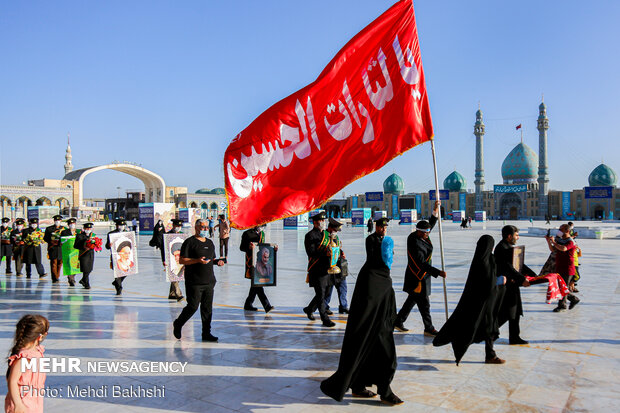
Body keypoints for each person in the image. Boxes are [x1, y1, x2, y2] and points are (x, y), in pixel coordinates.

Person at [320, 217, 403, 406]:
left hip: (376, 329)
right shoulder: (374, 276)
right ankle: (384, 391)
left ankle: (358, 386)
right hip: (372, 330)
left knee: (368, 352)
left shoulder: (380, 276)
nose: (392, 257)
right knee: (385, 357)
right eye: (389, 253)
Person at [433, 235, 506, 365]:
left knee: (489, 328)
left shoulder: (489, 259)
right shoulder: (482, 263)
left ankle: (490, 355)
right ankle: (488, 354)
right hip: (480, 304)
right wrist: (499, 281)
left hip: (488, 303)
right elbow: (487, 282)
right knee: (480, 328)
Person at [394, 201, 446, 336]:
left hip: (422, 275)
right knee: (424, 304)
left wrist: (435, 211)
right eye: (426, 233)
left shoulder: (421, 235)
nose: (428, 234)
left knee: (412, 300)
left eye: (428, 232)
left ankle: (398, 321)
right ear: (419, 232)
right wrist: (438, 272)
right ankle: (428, 328)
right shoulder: (414, 243)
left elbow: (430, 226)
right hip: (418, 276)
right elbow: (422, 263)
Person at [173, 219, 225, 342]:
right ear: (196, 228)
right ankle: (178, 323)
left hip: (209, 281)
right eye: (203, 227)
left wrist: (218, 262)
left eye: (207, 227)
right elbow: (182, 260)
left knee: (207, 309)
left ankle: (206, 333)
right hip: (194, 281)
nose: (206, 229)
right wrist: (197, 261)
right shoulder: (189, 242)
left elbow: (210, 259)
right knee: (193, 306)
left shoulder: (210, 243)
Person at [494, 225, 533, 344]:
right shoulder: (502, 248)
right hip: (505, 286)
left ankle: (514, 336)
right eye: (516, 235)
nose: (518, 237)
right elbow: (509, 268)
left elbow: (519, 265)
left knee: (514, 312)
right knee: (506, 312)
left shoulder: (509, 247)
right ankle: (488, 332)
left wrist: (534, 275)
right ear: (509, 236)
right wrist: (522, 279)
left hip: (513, 284)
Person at [5, 314, 49, 413]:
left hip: (34, 402)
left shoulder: (37, 353)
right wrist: (18, 404)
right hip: (22, 403)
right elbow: (12, 381)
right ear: (40, 337)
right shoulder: (24, 358)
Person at [303, 212, 335, 327]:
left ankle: (309, 309)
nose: (323, 223)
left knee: (325, 293)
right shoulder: (310, 236)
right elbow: (310, 252)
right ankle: (325, 319)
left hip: (327, 269)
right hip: (316, 269)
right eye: (321, 221)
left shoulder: (326, 234)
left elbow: (332, 245)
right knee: (321, 293)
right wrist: (324, 252)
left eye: (323, 221)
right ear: (315, 223)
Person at [546, 224, 580, 312]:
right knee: (561, 287)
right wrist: (549, 241)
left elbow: (564, 248)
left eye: (561, 230)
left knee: (562, 287)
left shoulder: (571, 241)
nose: (559, 231)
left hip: (567, 268)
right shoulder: (561, 240)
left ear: (567, 231)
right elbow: (553, 249)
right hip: (559, 267)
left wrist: (554, 242)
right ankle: (573, 299)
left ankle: (562, 305)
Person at [240, 225, 274, 312]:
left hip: (260, 261)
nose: (263, 225)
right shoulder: (247, 233)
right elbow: (242, 247)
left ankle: (248, 304)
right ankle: (267, 306)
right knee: (257, 284)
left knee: (255, 285)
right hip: (251, 262)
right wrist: (249, 247)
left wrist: (273, 249)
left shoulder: (262, 233)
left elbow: (263, 246)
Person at [324, 218, 349, 314]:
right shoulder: (324, 236)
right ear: (330, 228)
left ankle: (343, 306)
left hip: (338, 266)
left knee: (343, 286)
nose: (336, 232)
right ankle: (325, 306)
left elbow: (337, 248)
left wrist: (341, 252)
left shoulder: (336, 237)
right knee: (328, 288)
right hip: (329, 266)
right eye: (335, 230)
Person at [106, 218, 129, 295]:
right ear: (116, 225)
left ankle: (116, 282)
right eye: (120, 225)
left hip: (125, 256)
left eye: (123, 225)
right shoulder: (111, 234)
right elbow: (107, 246)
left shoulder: (127, 233)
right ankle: (119, 288)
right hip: (115, 256)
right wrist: (109, 245)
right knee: (117, 273)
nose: (121, 227)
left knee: (126, 271)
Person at [164, 219, 184, 301]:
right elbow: (163, 248)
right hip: (170, 259)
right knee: (173, 275)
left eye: (179, 226)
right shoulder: (168, 235)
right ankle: (179, 294)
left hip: (181, 259)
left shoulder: (182, 235)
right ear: (173, 226)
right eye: (177, 226)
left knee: (178, 274)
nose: (178, 228)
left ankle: (172, 294)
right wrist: (163, 259)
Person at [43, 215, 65, 283]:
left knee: (60, 263)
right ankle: (54, 277)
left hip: (61, 248)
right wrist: (51, 241)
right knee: (53, 263)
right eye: (56, 220)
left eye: (58, 220)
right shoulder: (49, 229)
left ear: (61, 221)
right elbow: (45, 238)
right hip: (53, 248)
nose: (57, 221)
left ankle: (57, 276)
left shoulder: (64, 229)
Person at [73, 222, 95, 289]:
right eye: (87, 228)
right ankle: (86, 283)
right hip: (83, 254)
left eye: (89, 228)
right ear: (84, 228)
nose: (88, 229)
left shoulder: (93, 236)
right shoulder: (79, 236)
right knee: (85, 269)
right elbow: (75, 246)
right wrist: (83, 246)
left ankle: (83, 280)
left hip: (91, 254)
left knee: (90, 269)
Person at [60, 218, 79, 286]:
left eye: (73, 224)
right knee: (68, 265)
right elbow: (61, 241)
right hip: (67, 251)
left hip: (76, 252)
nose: (72, 225)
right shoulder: (64, 232)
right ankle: (70, 278)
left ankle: (72, 277)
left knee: (75, 265)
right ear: (68, 225)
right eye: (70, 224)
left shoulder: (79, 231)